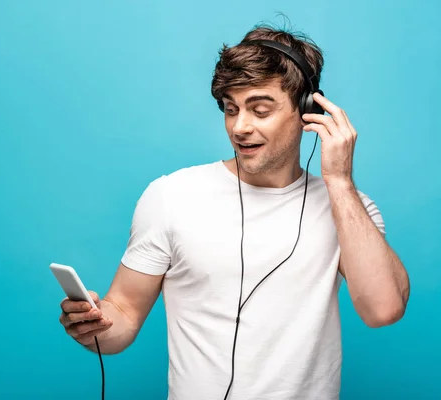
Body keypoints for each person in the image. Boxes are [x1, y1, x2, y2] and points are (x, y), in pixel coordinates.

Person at [57, 24, 410, 399]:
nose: (240, 127)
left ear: (308, 110)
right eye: (231, 109)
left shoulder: (349, 208)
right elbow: (123, 315)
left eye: (260, 110)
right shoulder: (171, 196)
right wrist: (95, 326)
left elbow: (383, 310)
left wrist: (339, 180)